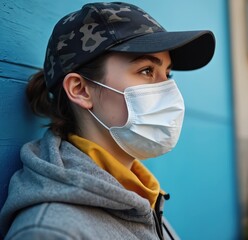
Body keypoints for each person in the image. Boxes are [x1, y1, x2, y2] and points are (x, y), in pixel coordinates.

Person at [0, 2, 215, 239]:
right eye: (146, 71)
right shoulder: (51, 231)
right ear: (80, 90)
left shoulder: (143, 197)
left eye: (168, 74)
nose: (168, 90)